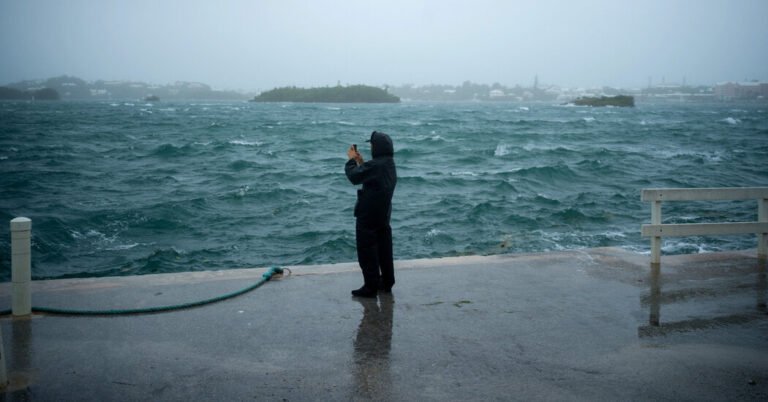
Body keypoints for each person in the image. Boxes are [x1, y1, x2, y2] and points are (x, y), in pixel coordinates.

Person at [345, 131, 397, 298]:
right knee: (384, 250)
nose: (371, 147)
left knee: (367, 251)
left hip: (368, 216)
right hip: (382, 215)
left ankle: (370, 287)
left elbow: (354, 177)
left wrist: (352, 160)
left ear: (378, 147)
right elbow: (373, 175)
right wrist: (362, 162)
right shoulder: (388, 163)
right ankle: (387, 282)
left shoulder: (376, 166)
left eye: (372, 145)